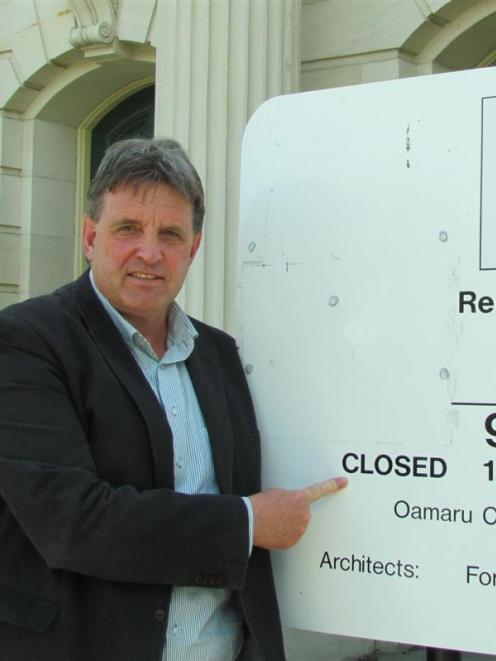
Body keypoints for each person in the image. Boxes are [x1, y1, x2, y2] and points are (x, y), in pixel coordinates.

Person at [0, 138, 347, 661]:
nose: (150, 252)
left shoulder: (220, 355)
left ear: (194, 247)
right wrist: (249, 523)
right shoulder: (26, 341)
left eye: (170, 234)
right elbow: (73, 524)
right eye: (127, 230)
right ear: (90, 236)